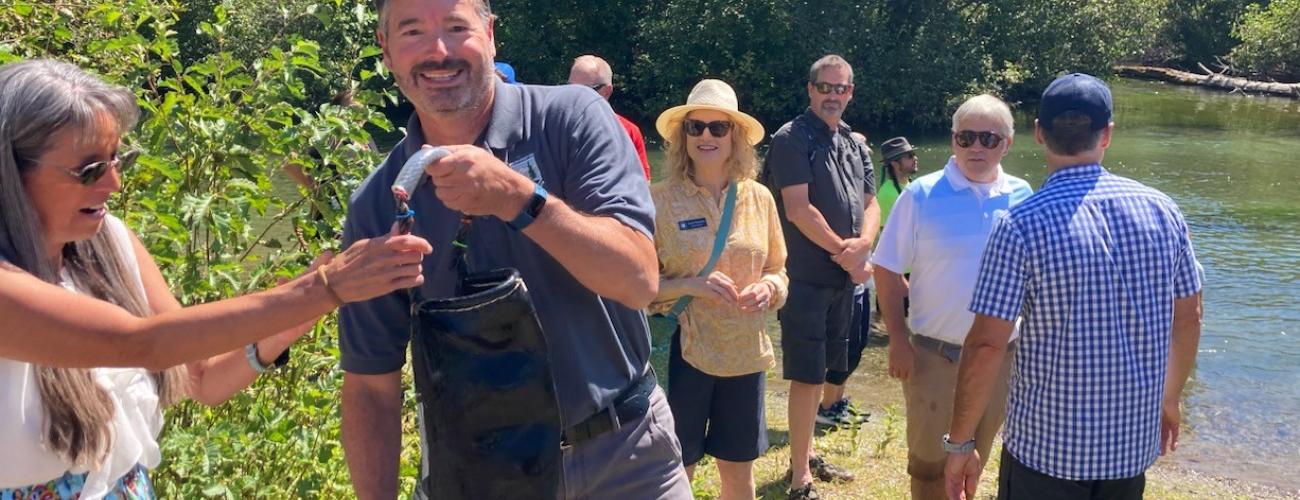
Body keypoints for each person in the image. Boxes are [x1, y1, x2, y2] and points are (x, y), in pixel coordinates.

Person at [0, 59, 431, 499]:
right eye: (90, 170)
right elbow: (139, 344)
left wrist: (308, 308)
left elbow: (201, 379)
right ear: (12, 174)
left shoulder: (109, 242)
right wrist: (322, 287)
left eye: (119, 159)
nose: (114, 184)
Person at [339, 1, 690, 498]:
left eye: (457, 27)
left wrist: (521, 200)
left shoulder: (572, 118)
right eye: (412, 31)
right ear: (387, 50)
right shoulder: (379, 202)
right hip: (479, 475)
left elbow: (638, 280)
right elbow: (370, 385)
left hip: (627, 458)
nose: (438, 51)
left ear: (490, 33)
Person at [944, 74, 1203, 500]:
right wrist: (1169, 397)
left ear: (1039, 134)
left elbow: (987, 345)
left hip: (1045, 454)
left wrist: (960, 443)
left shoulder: (1020, 225)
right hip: (1128, 449)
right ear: (1107, 135)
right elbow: (1189, 317)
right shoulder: (1163, 211)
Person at [871, 95, 1033, 500]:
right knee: (929, 469)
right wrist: (896, 339)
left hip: (999, 357)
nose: (976, 147)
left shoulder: (1023, 195)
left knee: (976, 459)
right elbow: (887, 268)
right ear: (953, 140)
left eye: (988, 139)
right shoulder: (921, 195)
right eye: (966, 137)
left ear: (1007, 144)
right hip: (934, 355)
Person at [650, 79, 787, 500]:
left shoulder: (760, 198)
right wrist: (693, 285)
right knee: (675, 469)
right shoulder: (657, 200)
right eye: (695, 127)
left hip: (744, 353)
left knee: (738, 472)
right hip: (683, 351)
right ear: (682, 137)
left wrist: (769, 288)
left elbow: (779, 269)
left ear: (737, 137)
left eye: (718, 127)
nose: (706, 136)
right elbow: (636, 286)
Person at [764, 54, 880, 499]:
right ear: (810, 89)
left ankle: (806, 453)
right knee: (807, 376)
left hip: (844, 280)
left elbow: (871, 204)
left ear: (851, 92)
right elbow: (798, 210)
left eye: (842, 88)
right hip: (806, 279)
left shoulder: (853, 142)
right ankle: (800, 482)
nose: (833, 96)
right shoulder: (791, 139)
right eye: (825, 87)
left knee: (829, 371)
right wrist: (847, 253)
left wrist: (862, 247)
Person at [815, 130, 875, 429]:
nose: (862, 159)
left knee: (856, 343)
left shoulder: (862, 195)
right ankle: (827, 405)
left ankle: (837, 400)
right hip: (842, 275)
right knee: (838, 345)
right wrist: (850, 261)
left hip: (862, 275)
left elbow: (870, 212)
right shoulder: (832, 191)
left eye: (863, 153)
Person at [568, 54, 652, 181]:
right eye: (570, 88)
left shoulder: (629, 132)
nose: (574, 96)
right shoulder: (555, 128)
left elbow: (643, 185)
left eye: (583, 90)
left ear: (607, 91)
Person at [876, 136, 919, 226]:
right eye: (910, 156)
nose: (915, 158)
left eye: (914, 154)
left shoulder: (913, 184)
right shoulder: (887, 194)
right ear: (895, 164)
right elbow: (886, 233)